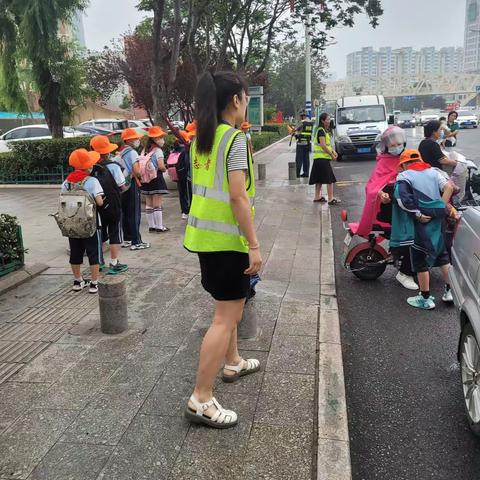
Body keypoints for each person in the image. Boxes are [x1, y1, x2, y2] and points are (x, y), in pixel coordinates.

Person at [183, 70, 262, 429]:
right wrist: (254, 244)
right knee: (225, 317)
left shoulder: (201, 138)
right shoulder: (234, 141)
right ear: (236, 100)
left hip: (205, 240)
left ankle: (232, 361)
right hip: (229, 241)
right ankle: (201, 398)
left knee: (227, 307)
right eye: (246, 99)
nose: (246, 106)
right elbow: (237, 196)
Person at [391, 149, 455, 310]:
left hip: (422, 222)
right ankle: (450, 292)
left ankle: (425, 298)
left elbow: (402, 199)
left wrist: (418, 214)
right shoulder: (434, 172)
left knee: (420, 259)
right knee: (442, 256)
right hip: (439, 221)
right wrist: (439, 206)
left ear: (404, 164)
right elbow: (449, 187)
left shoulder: (404, 176)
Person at [356, 126, 418, 290]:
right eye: (391, 145)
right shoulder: (384, 161)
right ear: (385, 146)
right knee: (413, 236)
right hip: (392, 208)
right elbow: (373, 185)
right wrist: (380, 193)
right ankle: (405, 272)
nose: (395, 147)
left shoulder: (409, 157)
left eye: (398, 143)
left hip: (407, 203)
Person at [61, 149, 104, 294]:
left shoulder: (66, 182)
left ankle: (78, 281)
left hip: (72, 223)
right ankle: (94, 283)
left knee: (75, 252)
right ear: (88, 166)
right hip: (90, 223)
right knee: (93, 252)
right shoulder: (92, 181)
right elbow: (99, 202)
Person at [90, 135, 129, 275]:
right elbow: (122, 186)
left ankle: (99, 262)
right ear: (107, 151)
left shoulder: (90, 168)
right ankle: (114, 262)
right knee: (115, 233)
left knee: (98, 234)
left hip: (96, 206)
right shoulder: (113, 166)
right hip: (113, 205)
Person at [118, 128, 150, 250]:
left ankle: (127, 239)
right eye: (135, 138)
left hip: (122, 186)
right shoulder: (131, 152)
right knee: (134, 213)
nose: (138, 140)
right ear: (129, 140)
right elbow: (136, 171)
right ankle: (136, 241)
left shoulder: (121, 151)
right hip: (131, 184)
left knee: (125, 213)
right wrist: (141, 177)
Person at [140, 126, 170, 233]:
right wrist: (165, 168)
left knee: (149, 203)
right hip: (156, 178)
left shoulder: (144, 150)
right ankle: (159, 226)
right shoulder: (157, 151)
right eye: (160, 137)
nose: (162, 139)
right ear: (155, 138)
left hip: (145, 180)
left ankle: (151, 226)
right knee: (157, 203)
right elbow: (161, 166)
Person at [309, 112, 340, 205]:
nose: (329, 121)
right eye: (327, 119)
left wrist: (333, 151)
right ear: (322, 121)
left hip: (319, 158)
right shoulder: (321, 131)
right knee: (329, 179)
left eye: (329, 119)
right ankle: (330, 199)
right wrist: (331, 154)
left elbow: (327, 145)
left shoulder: (324, 131)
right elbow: (323, 145)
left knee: (318, 179)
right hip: (322, 159)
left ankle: (317, 197)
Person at [295, 112, 314, 177]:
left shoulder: (302, 123)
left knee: (299, 160)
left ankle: (297, 174)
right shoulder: (311, 123)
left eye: (300, 116)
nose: (300, 118)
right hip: (308, 144)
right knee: (306, 159)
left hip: (300, 144)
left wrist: (295, 134)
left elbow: (296, 131)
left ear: (303, 116)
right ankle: (306, 173)